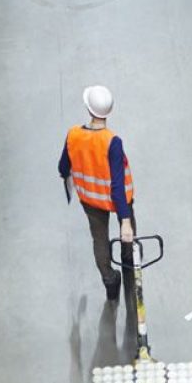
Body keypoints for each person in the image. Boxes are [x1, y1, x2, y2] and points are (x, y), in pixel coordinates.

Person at [59, 85, 135, 302]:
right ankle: (128, 263)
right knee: (127, 234)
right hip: (119, 201)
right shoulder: (112, 141)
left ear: (88, 108)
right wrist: (125, 221)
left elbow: (63, 167)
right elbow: (117, 187)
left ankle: (110, 281)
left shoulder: (73, 135)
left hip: (91, 200)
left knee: (99, 240)